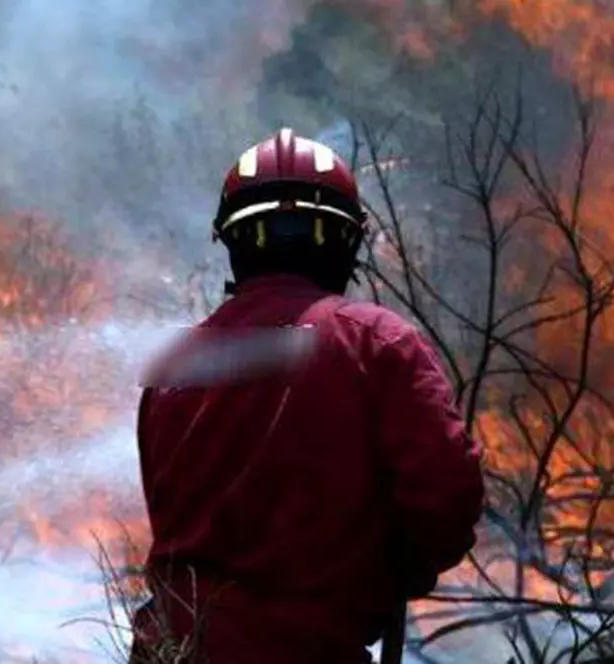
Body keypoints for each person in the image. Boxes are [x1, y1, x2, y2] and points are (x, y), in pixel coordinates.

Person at [130, 128, 485, 663]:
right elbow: (446, 502)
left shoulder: (173, 368)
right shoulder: (376, 343)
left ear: (232, 243)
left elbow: (171, 519)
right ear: (345, 242)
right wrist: (400, 570)